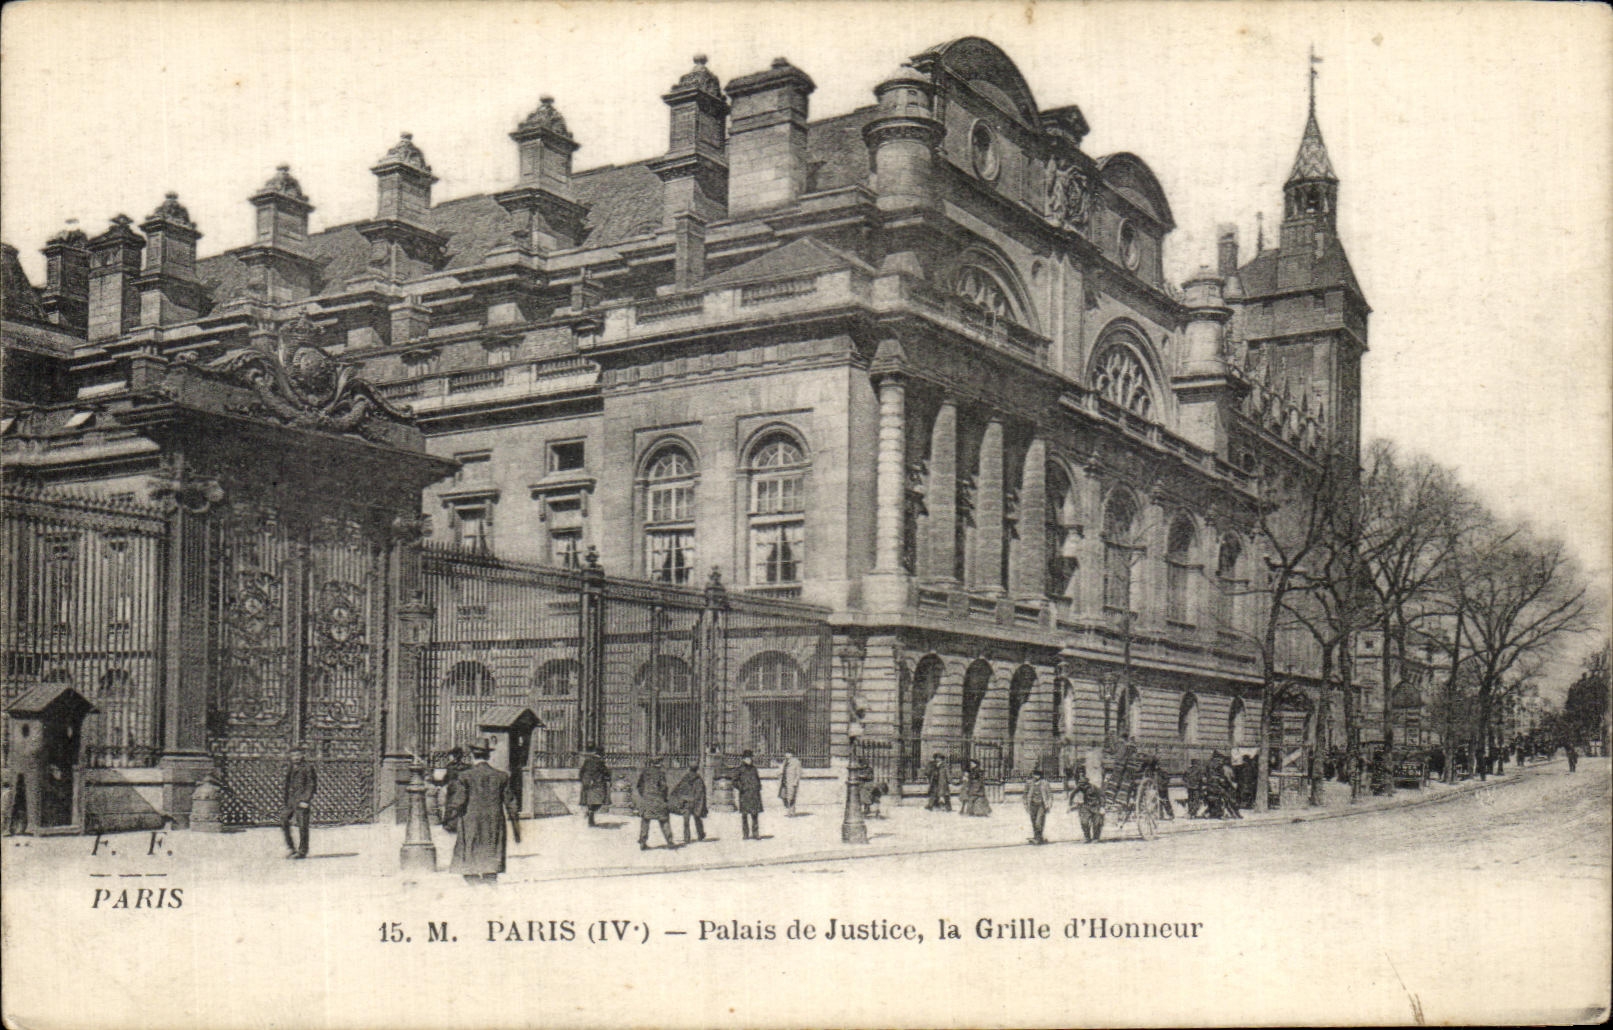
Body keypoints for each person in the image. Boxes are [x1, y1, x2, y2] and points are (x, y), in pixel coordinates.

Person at [445, 738, 521, 884]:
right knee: (491, 859)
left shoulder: (465, 776)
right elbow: (511, 803)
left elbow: (458, 802)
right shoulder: (501, 776)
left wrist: (449, 819)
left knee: (468, 861)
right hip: (494, 823)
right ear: (488, 756)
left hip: (470, 823)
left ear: (473, 755)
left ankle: (476, 887)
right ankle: (489, 887)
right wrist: (517, 830)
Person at [280, 743, 317, 859]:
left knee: (302, 826)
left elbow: (311, 785)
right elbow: (287, 784)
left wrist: (306, 800)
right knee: (283, 820)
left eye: (298, 755)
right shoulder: (290, 767)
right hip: (291, 800)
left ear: (303, 755)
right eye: (293, 755)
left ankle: (302, 851)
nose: (295, 757)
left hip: (302, 800)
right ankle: (291, 848)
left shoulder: (308, 767)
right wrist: (286, 799)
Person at [634, 756, 678, 851]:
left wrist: (645, 795)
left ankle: (642, 841)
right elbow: (664, 787)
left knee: (645, 820)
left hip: (647, 800)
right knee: (664, 820)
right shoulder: (661, 773)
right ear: (659, 763)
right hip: (658, 800)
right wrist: (664, 797)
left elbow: (639, 786)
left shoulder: (645, 772)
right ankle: (670, 841)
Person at [668, 758, 708, 844]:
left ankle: (687, 838)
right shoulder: (699, 780)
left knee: (686, 821)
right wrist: (701, 804)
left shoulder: (685, 778)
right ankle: (700, 835)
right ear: (697, 769)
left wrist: (678, 798)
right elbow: (701, 792)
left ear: (689, 768)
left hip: (686, 803)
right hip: (695, 802)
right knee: (697, 819)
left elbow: (678, 789)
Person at [733, 750, 764, 840]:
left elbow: (757, 779)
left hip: (754, 794)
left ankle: (755, 833)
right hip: (745, 795)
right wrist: (741, 787)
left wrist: (758, 786)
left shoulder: (754, 768)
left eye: (750, 758)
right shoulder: (740, 769)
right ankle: (745, 834)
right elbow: (734, 781)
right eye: (747, 758)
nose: (749, 760)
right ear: (743, 759)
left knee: (755, 815)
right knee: (744, 815)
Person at [579, 745, 610, 828]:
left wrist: (583, 780)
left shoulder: (587, 761)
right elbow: (605, 772)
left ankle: (590, 814)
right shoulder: (600, 762)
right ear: (602, 753)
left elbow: (581, 772)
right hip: (597, 784)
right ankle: (590, 816)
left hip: (587, 784)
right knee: (599, 802)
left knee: (589, 801)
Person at [1071, 770, 1104, 842]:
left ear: (1087, 784)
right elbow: (1072, 794)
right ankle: (1087, 837)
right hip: (1086, 806)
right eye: (1081, 785)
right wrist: (1070, 804)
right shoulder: (1080, 787)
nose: (1082, 787)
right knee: (1084, 822)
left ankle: (1096, 838)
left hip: (1095, 806)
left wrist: (1102, 807)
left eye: (1084, 785)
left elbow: (1101, 796)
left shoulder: (1094, 788)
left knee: (1097, 823)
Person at [1022, 767, 1052, 845]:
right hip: (1032, 805)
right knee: (1034, 821)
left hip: (1041, 805)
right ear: (1032, 775)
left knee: (1039, 821)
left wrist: (1049, 804)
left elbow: (1050, 795)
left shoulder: (1045, 783)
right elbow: (1025, 794)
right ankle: (1038, 837)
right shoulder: (1029, 783)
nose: (1036, 776)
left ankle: (1038, 838)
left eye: (1038, 775)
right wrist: (1025, 804)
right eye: (1035, 774)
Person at [777, 750, 803, 816]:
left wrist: (795, 782)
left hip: (792, 782)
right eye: (786, 753)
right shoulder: (785, 761)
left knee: (791, 797)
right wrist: (779, 774)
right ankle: (789, 809)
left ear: (792, 754)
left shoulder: (796, 762)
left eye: (789, 753)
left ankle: (791, 811)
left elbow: (799, 773)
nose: (787, 755)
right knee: (783, 796)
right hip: (784, 782)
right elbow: (781, 770)